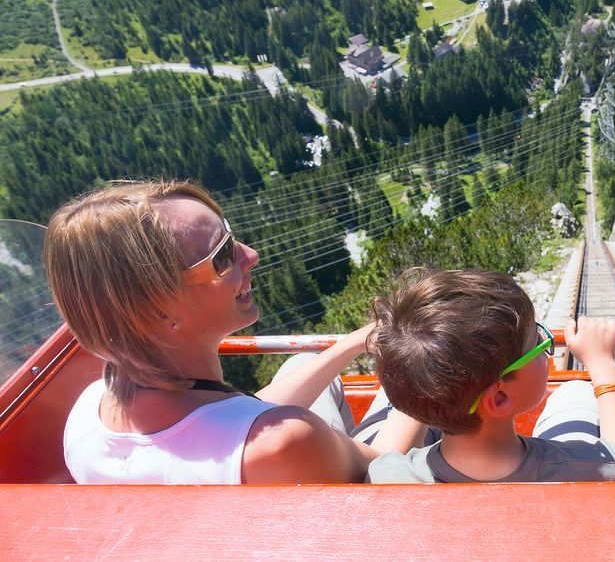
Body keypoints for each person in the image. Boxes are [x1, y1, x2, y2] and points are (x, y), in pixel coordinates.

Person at [46, 180, 421, 484]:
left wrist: (354, 342)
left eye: (231, 235)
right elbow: (386, 463)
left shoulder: (87, 416)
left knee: (302, 363)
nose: (251, 253)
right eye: (223, 255)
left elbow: (231, 419)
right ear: (158, 310)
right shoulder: (282, 444)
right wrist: (431, 356)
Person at [366, 268, 615, 483]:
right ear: (499, 398)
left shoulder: (386, 475)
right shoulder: (590, 468)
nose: (545, 346)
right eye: (538, 342)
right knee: (575, 390)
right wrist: (602, 366)